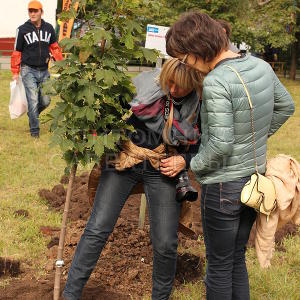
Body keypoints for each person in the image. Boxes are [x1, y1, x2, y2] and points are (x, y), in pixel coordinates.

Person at [165, 12, 295, 300]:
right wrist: (253, 140)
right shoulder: (260, 66)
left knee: (220, 267)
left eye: (184, 57)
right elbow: (286, 106)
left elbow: (221, 145)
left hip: (223, 188)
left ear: (197, 49)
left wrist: (193, 166)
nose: (186, 65)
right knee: (235, 259)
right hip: (253, 183)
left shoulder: (216, 82)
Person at [63, 58, 203, 300]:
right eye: (169, 82)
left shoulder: (200, 104)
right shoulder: (147, 83)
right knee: (98, 227)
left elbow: (204, 144)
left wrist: (185, 161)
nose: (171, 90)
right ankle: (70, 295)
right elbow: (109, 113)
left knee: (165, 242)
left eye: (179, 86)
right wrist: (90, 135)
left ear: (193, 83)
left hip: (163, 166)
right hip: (125, 159)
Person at [11, 0, 63, 138]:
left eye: (35, 11)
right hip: (28, 70)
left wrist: (62, 67)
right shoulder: (22, 29)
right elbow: (17, 52)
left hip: (44, 70)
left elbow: (55, 49)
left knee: (46, 100)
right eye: (30, 11)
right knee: (33, 100)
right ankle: (35, 132)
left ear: (41, 12)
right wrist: (15, 72)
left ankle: (32, 114)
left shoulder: (49, 28)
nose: (33, 13)